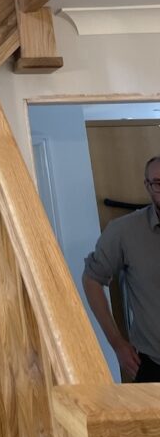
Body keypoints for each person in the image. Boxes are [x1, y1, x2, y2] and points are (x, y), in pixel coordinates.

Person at [82, 155, 160, 382]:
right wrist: (116, 343)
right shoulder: (124, 232)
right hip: (153, 367)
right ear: (148, 186)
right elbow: (92, 279)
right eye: (158, 183)